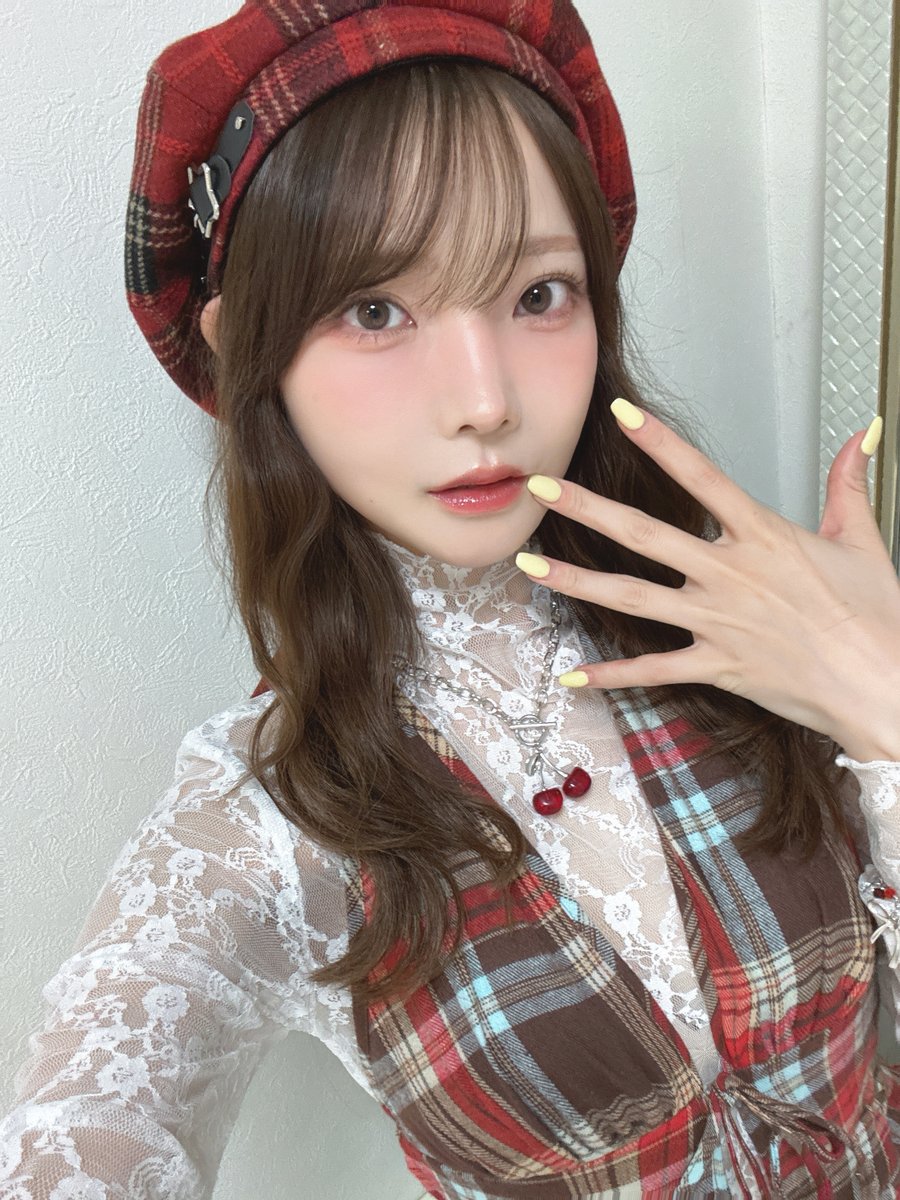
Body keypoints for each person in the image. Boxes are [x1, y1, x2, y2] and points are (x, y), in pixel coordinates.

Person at [3, 0, 900, 1196]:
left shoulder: (751, 617)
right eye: (376, 310)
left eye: (538, 295)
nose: (485, 400)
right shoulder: (265, 819)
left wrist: (884, 702)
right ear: (242, 350)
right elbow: (89, 1124)